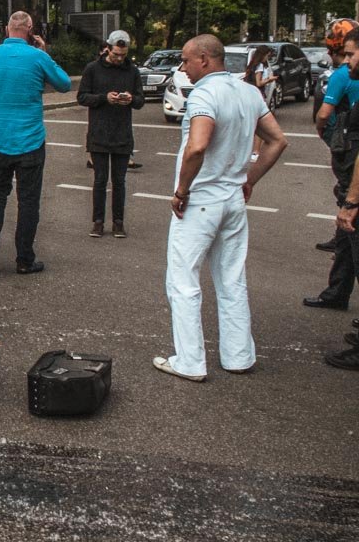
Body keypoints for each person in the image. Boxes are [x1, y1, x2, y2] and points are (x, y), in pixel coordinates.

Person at [153, 35, 287, 382]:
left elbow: (197, 146)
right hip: (232, 201)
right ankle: (238, 356)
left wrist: (182, 189)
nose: (182, 68)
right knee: (231, 278)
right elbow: (277, 140)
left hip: (201, 201)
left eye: (185, 61)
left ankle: (190, 361)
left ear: (204, 59)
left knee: (182, 280)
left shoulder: (204, 95)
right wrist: (250, 178)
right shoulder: (248, 92)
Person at [0, 10, 72, 274]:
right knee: (28, 201)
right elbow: (63, 84)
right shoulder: (37, 57)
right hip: (30, 140)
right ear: (30, 30)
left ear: (7, 29)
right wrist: (44, 52)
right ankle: (24, 259)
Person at [307, 25, 359, 311]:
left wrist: (351, 202)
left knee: (349, 230)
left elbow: (323, 115)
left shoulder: (341, 77)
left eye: (350, 54)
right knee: (347, 235)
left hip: (351, 158)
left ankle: (337, 292)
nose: (346, 60)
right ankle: (337, 291)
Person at [78, 30, 144, 238]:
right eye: (116, 54)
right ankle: (98, 221)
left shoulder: (132, 71)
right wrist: (104, 98)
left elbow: (141, 101)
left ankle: (118, 222)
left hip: (122, 133)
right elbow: (82, 97)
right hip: (99, 132)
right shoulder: (93, 69)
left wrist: (131, 99)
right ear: (107, 48)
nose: (119, 58)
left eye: (123, 55)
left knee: (119, 181)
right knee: (99, 180)